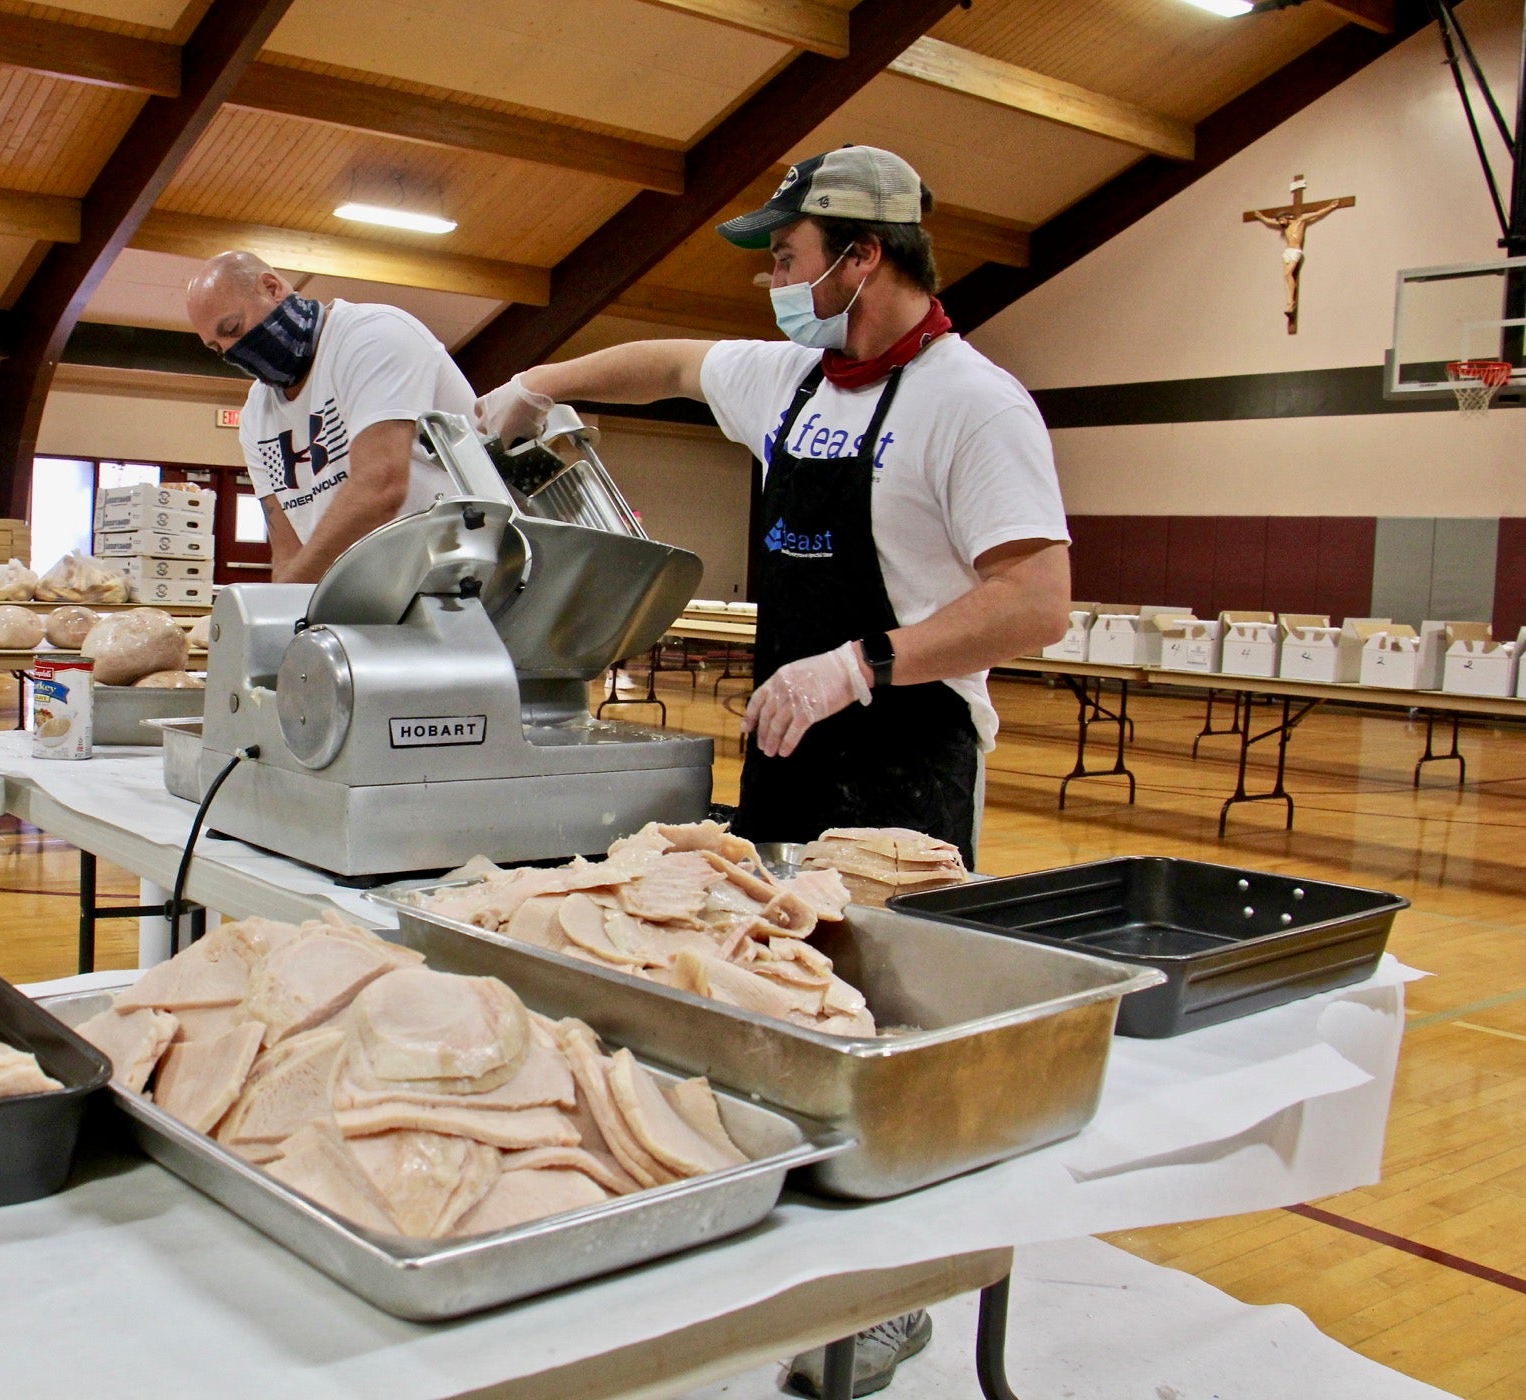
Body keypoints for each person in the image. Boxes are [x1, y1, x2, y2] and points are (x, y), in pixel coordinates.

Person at [478, 144, 1072, 1397]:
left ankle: (902, 1295)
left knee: (891, 1030)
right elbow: (667, 365)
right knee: (772, 1000)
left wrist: (861, 664)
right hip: (790, 740)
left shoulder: (976, 404)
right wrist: (536, 381)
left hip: (906, 750)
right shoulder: (795, 377)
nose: (772, 285)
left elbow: (1035, 600)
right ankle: (791, 1259)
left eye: (789, 259)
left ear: (863, 258)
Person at [185, 251, 477, 583]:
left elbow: (381, 487)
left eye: (234, 328)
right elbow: (287, 550)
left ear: (271, 287)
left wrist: (289, 601)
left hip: (465, 578)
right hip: (377, 596)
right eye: (218, 348)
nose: (233, 350)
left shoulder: (372, 336)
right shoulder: (256, 412)